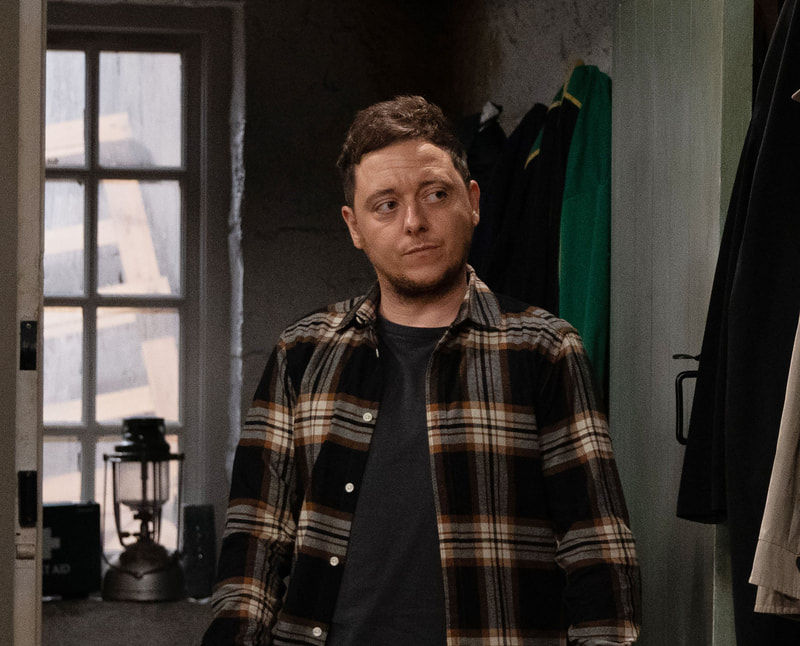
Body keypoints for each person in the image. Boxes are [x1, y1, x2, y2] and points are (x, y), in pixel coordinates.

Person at [202, 95, 641, 646]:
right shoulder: (303, 351)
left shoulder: (545, 350)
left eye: (435, 194)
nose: (414, 222)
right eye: (385, 205)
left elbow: (597, 551)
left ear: (473, 201)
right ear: (354, 226)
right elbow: (255, 540)